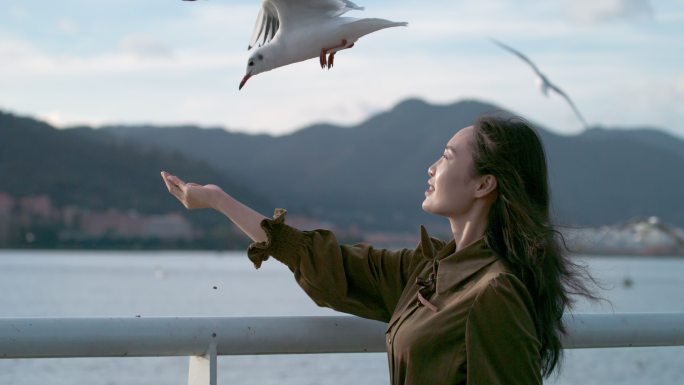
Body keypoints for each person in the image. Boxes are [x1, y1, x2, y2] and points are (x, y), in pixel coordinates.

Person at [161, 115, 595, 385]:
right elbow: (325, 262)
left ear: (484, 184)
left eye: (446, 156)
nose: (432, 167)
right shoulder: (428, 271)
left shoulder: (495, 291)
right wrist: (218, 200)